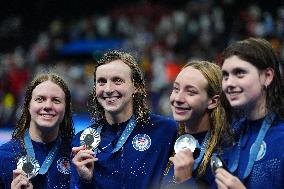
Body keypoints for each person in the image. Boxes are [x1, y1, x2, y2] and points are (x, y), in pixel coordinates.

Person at [70, 50, 177, 189]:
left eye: (117, 80)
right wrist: (85, 180)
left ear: (136, 87)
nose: (108, 89)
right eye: (101, 82)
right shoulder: (81, 141)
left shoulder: (165, 130)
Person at [215, 38, 284, 188]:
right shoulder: (229, 137)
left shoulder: (281, 138)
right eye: (225, 76)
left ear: (267, 76)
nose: (229, 84)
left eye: (239, 73)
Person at [161, 61, 232, 189]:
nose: (178, 98)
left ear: (213, 101)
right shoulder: (167, 141)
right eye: (176, 89)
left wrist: (185, 180)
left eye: (191, 92)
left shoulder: (225, 152)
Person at [0, 73, 75, 189]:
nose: (48, 106)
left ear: (66, 109)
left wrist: (86, 181)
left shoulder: (76, 156)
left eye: (56, 100)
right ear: (28, 106)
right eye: (40, 99)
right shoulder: (3, 156)